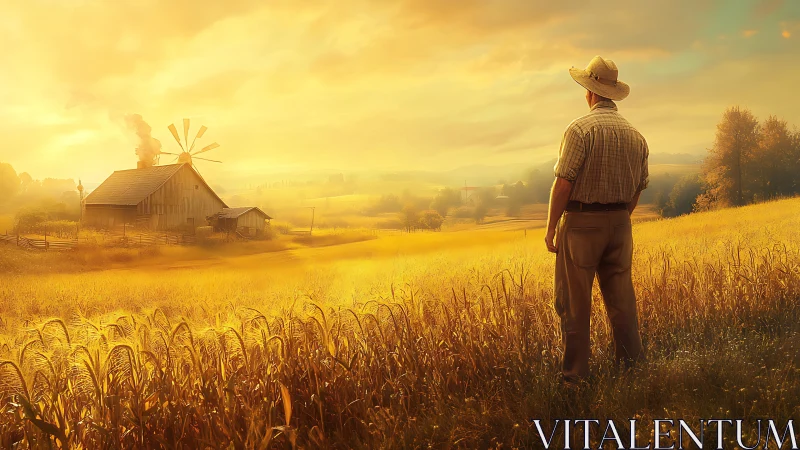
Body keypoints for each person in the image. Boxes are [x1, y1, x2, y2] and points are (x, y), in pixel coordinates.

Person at [544, 55, 649, 383]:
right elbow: (639, 187)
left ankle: (575, 378)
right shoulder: (636, 136)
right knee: (622, 302)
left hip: (582, 224)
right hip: (620, 224)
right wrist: (619, 218)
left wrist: (551, 228)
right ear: (612, 93)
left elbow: (564, 183)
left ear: (589, 92)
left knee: (574, 303)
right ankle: (632, 371)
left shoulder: (579, 129)